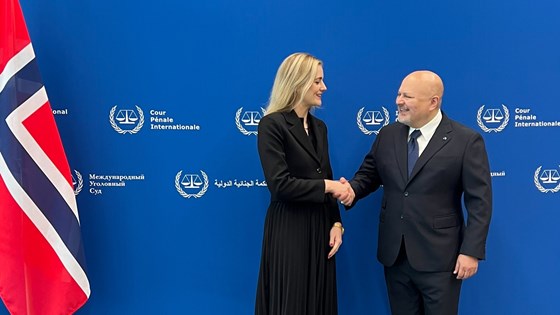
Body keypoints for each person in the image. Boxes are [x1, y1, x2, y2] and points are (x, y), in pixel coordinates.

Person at [338, 70, 492, 314]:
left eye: (407, 96)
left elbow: (480, 202)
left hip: (441, 260)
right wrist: (351, 191)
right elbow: (368, 175)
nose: (398, 101)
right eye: (399, 94)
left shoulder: (466, 141)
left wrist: (471, 251)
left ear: (433, 102)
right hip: (395, 257)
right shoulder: (387, 134)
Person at [255, 53, 347, 315]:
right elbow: (280, 185)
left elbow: (325, 173)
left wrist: (336, 223)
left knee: (319, 302)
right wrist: (329, 187)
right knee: (292, 302)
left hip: (320, 228)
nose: (324, 87)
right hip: (289, 229)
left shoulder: (320, 127)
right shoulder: (271, 125)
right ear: (298, 82)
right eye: (317, 81)